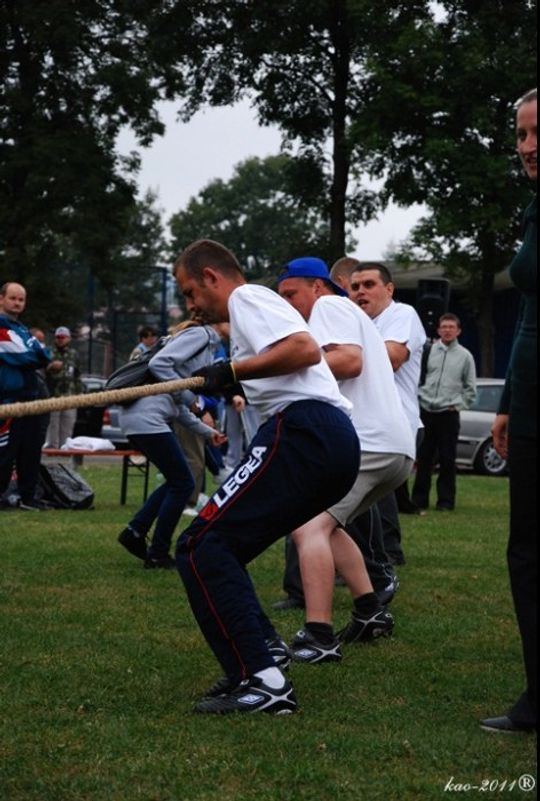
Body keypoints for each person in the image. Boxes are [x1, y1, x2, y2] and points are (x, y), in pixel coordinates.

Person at [174, 240, 360, 715]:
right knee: (217, 547)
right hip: (325, 442)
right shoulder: (246, 315)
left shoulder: (247, 296)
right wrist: (230, 371)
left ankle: (263, 681)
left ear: (211, 277)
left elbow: (304, 349)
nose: (191, 305)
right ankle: (266, 654)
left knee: (201, 546)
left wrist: (232, 371)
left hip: (305, 432)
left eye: (190, 291)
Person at [277, 258, 415, 663]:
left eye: (291, 294)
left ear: (318, 287)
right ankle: (370, 611)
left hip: (369, 443)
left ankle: (318, 636)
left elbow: (349, 361)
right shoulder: (344, 313)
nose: (287, 304)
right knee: (330, 526)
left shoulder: (329, 306)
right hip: (393, 448)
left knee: (306, 527)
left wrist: (280, 369)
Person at [480, 89, 537, 735]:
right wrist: (506, 401)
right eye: (520, 134)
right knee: (527, 552)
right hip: (529, 409)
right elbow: (526, 314)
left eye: (537, 133)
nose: (527, 146)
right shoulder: (533, 209)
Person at [117, 320, 226, 569]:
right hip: (147, 421)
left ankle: (135, 532)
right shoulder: (201, 336)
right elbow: (161, 367)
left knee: (177, 481)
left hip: (139, 420)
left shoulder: (193, 353)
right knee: (183, 483)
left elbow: (179, 409)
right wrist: (190, 397)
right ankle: (157, 552)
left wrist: (209, 433)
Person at [348, 261, 427, 563]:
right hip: (367, 423)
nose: (360, 292)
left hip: (398, 421)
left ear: (389, 289)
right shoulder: (356, 322)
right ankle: (382, 555)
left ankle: (381, 558)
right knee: (372, 495)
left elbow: (392, 358)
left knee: (367, 492)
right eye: (355, 286)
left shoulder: (401, 314)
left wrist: (345, 355)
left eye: (369, 285)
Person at [411, 313, 476, 511]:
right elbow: (419, 377)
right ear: (439, 330)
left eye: (451, 327)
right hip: (427, 410)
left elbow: (470, 388)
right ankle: (419, 499)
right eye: (444, 327)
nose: (447, 330)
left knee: (448, 458)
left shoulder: (465, 356)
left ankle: (446, 501)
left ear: (458, 331)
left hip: (448, 413)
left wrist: (457, 405)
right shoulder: (428, 352)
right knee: (424, 457)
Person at [0, 282, 52, 510]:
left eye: (21, 299)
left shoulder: (21, 328)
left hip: (32, 397)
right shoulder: (2, 327)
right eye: (12, 298)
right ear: (1, 299)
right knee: (5, 451)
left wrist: (37, 352)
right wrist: (36, 352)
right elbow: (26, 355)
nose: (17, 303)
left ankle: (28, 497)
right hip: (8, 400)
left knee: (31, 449)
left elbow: (44, 354)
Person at [44, 326, 82, 448]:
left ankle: (65, 449)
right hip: (53, 394)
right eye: (58, 337)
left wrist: (79, 394)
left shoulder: (73, 354)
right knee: (52, 423)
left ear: (69, 339)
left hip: (69, 395)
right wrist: (50, 367)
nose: (60, 339)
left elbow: (77, 375)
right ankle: (52, 449)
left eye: (63, 337)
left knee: (68, 423)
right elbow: (40, 372)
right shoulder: (48, 352)